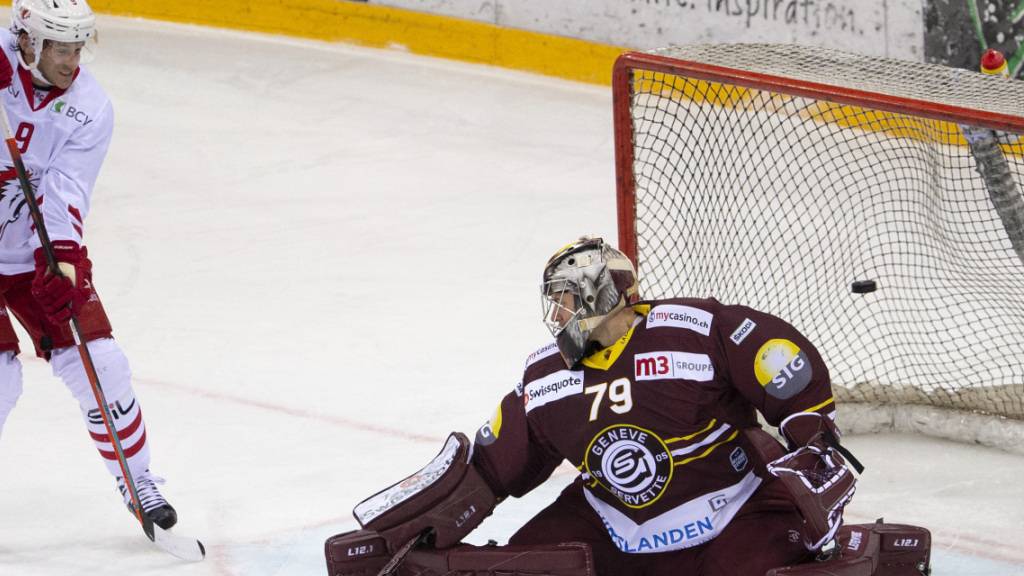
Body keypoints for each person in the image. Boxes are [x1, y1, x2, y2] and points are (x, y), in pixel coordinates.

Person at [328, 235, 869, 576]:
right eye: (554, 304)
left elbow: (782, 370)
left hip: (731, 511)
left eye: (566, 300)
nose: (558, 316)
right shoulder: (544, 377)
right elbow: (491, 469)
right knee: (518, 563)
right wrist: (420, 531)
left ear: (601, 294)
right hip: (615, 523)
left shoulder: (696, 331)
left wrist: (811, 436)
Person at [0, 0, 177, 530]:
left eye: (78, 46)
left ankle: (138, 479)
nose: (71, 59)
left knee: (101, 362)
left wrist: (63, 263)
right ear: (29, 41)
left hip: (30, 248)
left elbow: (65, 192)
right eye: (59, 46)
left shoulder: (90, 108)